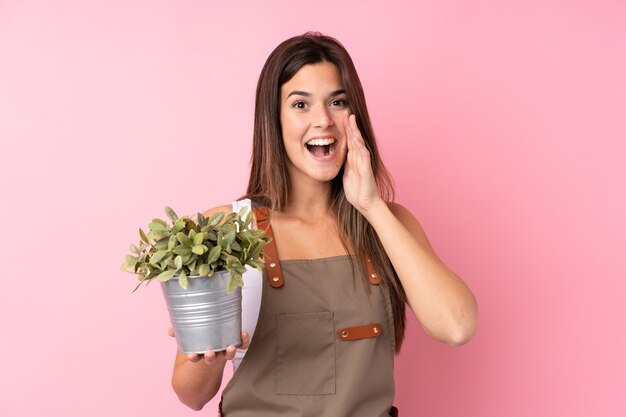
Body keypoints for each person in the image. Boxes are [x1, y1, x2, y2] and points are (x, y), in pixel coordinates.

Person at [168, 32, 478, 416]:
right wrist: (209, 357)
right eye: (301, 104)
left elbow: (457, 326)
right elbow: (191, 395)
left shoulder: (388, 223)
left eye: (337, 102)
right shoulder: (227, 230)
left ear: (355, 116)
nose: (323, 121)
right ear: (274, 118)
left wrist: (371, 206)